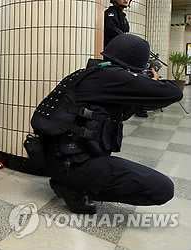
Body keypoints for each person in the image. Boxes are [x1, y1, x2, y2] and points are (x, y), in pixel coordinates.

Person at [31, 34, 183, 214]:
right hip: (72, 164)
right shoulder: (113, 77)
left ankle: (69, 182)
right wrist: (149, 83)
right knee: (163, 189)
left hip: (59, 159)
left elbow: (121, 114)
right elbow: (173, 92)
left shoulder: (90, 74)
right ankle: (74, 188)